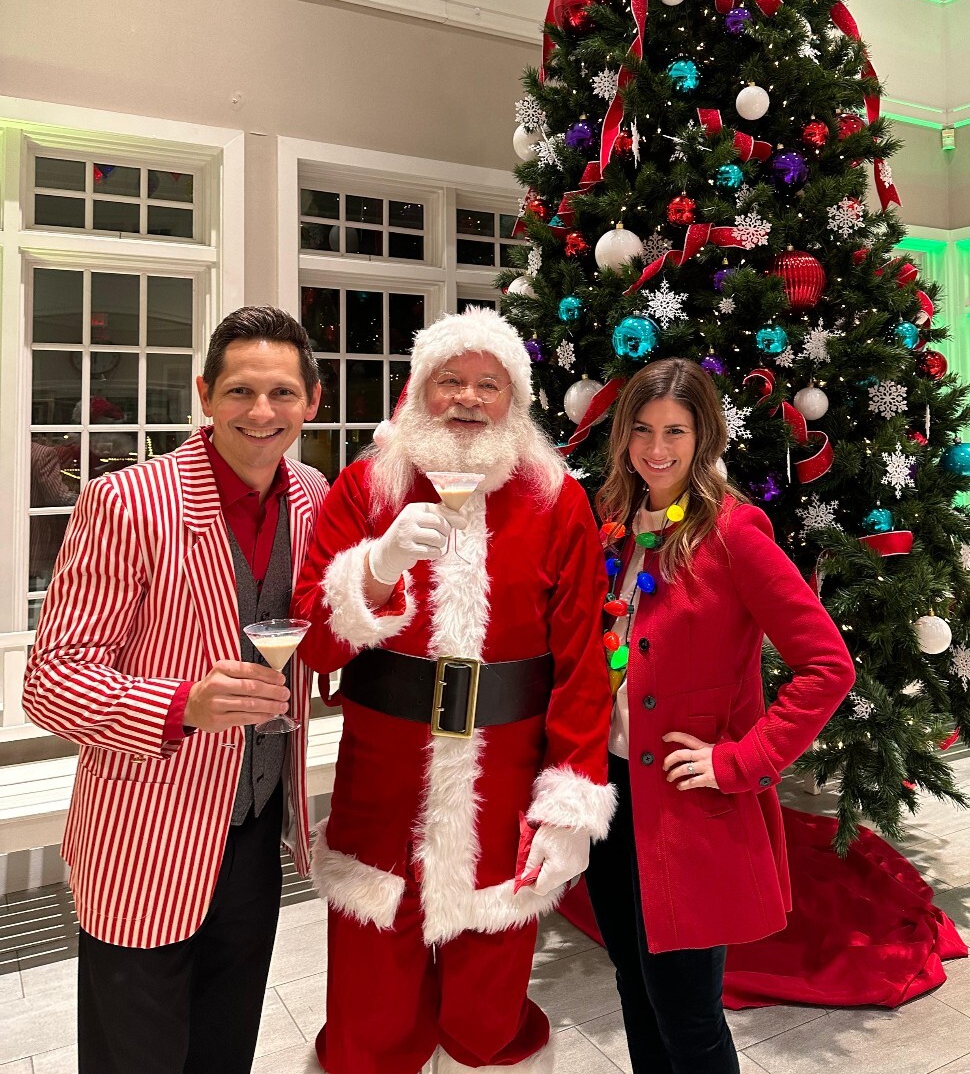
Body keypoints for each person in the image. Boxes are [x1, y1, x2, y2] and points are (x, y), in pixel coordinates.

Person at [292, 306, 615, 1074]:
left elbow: (580, 659)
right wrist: (374, 566)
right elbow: (311, 642)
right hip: (385, 775)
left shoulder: (556, 499)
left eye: (488, 385)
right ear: (417, 391)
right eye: (450, 382)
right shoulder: (365, 487)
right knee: (373, 999)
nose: (468, 398)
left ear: (516, 402)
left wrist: (572, 797)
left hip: (504, 776)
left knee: (488, 1001)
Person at [23, 306, 328, 1074]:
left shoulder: (313, 495)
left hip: (256, 826)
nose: (262, 413)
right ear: (204, 393)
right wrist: (179, 704)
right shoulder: (128, 502)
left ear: (311, 402)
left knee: (226, 1048)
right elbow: (50, 679)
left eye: (283, 394)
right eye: (241, 392)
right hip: (144, 833)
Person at [583, 357, 856, 1074]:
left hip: (687, 810)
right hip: (609, 803)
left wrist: (740, 760)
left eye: (675, 429)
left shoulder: (733, 533)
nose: (656, 448)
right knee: (634, 992)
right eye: (641, 429)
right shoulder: (614, 523)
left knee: (689, 1017)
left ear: (704, 435)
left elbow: (828, 666)